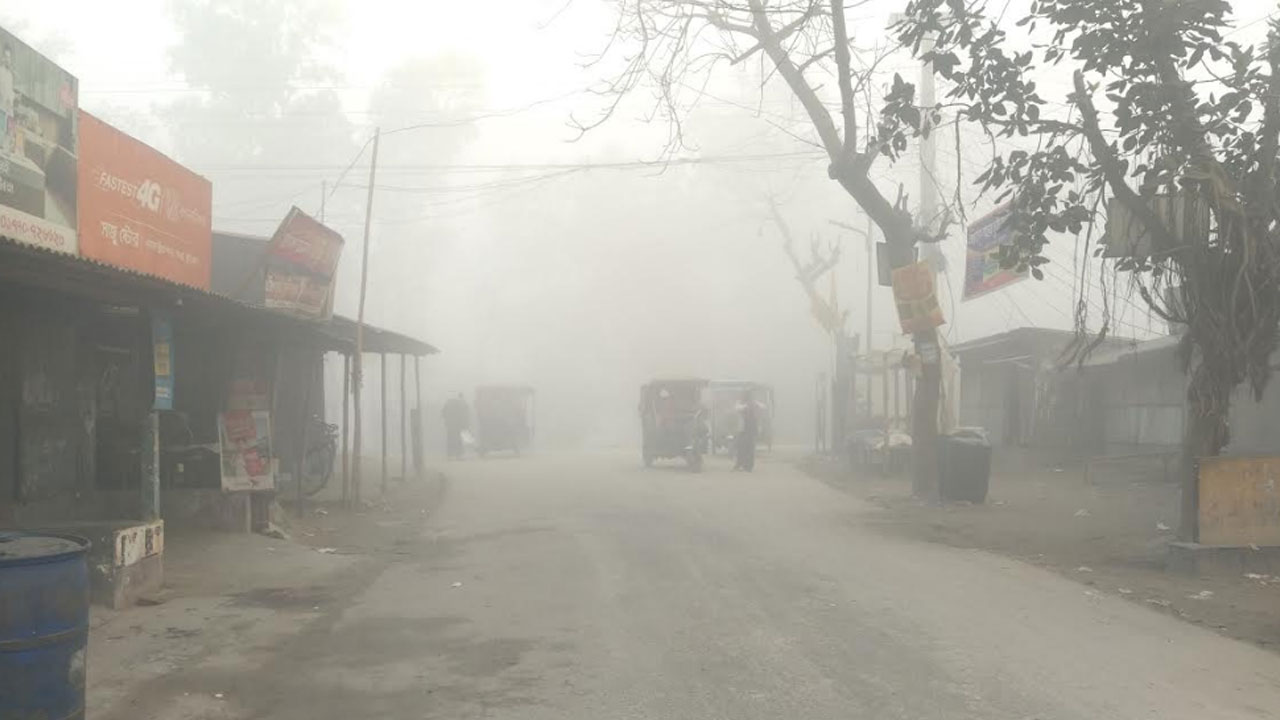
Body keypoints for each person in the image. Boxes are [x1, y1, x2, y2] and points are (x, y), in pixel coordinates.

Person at [734, 389, 758, 472]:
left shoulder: (753, 403)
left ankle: (748, 466)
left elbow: (762, 407)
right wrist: (747, 406)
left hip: (750, 430)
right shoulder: (741, 403)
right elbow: (737, 408)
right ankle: (741, 465)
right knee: (741, 448)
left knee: (749, 449)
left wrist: (752, 405)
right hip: (743, 429)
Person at [442, 393, 468, 459]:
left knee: (450, 438)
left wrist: (446, 421)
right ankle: (459, 454)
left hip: (450, 425)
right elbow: (465, 414)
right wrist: (465, 424)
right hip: (458, 425)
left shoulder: (448, 403)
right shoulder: (461, 403)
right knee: (459, 439)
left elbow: (443, 413)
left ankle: (450, 454)